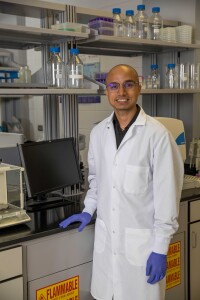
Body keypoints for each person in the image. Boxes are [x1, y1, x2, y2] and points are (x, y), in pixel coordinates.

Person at [59, 64, 184, 300]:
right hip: (108, 248)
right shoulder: (98, 134)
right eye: (114, 86)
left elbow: (167, 198)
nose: (121, 92)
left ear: (139, 88)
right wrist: (88, 210)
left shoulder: (158, 136)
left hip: (143, 249)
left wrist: (160, 250)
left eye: (128, 84)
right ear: (107, 91)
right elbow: (97, 181)